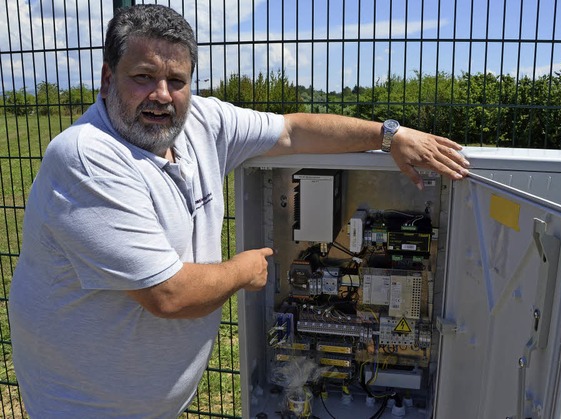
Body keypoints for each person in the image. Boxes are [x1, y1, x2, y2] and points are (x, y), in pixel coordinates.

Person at [8, 4, 469, 417]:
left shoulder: (201, 123)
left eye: (177, 81)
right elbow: (169, 295)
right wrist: (241, 271)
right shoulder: (88, 158)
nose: (162, 96)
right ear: (108, 78)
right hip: (84, 406)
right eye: (143, 77)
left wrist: (390, 135)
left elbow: (291, 132)